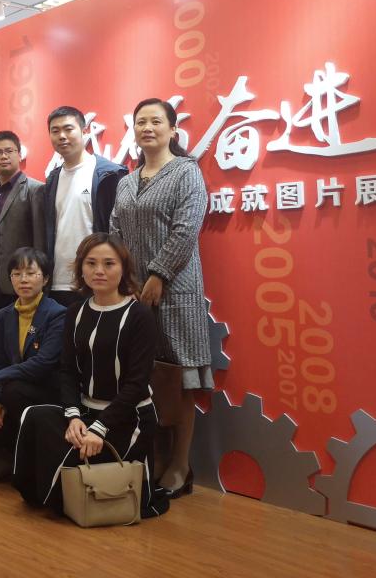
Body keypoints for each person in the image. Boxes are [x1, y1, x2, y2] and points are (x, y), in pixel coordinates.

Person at [12, 233, 167, 519]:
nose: (99, 271)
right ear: (81, 268)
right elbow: (67, 371)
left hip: (127, 419)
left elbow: (137, 384)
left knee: (80, 472)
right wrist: (73, 417)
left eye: (109, 263)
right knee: (34, 416)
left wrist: (100, 428)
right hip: (86, 413)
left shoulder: (139, 316)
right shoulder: (75, 312)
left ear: (123, 268)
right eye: (91, 263)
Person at [111, 98, 209, 497]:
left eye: (156, 121)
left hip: (176, 293)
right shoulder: (126, 181)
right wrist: (126, 279)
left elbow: (187, 229)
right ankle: (153, 459)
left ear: (173, 130)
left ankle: (181, 465)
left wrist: (158, 275)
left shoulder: (187, 172)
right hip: (133, 294)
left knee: (179, 380)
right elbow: (115, 232)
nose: (147, 128)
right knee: (145, 378)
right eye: (140, 122)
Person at [0, 248, 64, 451]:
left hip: (47, 391)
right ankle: (22, 449)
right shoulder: (3, 315)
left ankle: (34, 451)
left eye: (31, 273)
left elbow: (42, 364)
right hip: (13, 392)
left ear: (45, 278)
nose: (24, 279)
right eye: (17, 274)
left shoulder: (57, 314)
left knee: (14, 391)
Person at [44, 106, 127, 308]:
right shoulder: (52, 178)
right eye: (55, 131)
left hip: (97, 280)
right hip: (58, 281)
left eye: (68, 129)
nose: (62, 136)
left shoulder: (109, 175)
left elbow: (120, 231)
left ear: (84, 131)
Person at [0, 131, 46, 351]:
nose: (3, 156)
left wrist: (38, 283)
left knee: (21, 350)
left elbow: (40, 243)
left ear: (19, 154)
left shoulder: (35, 189)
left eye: (9, 151)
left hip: (21, 287)